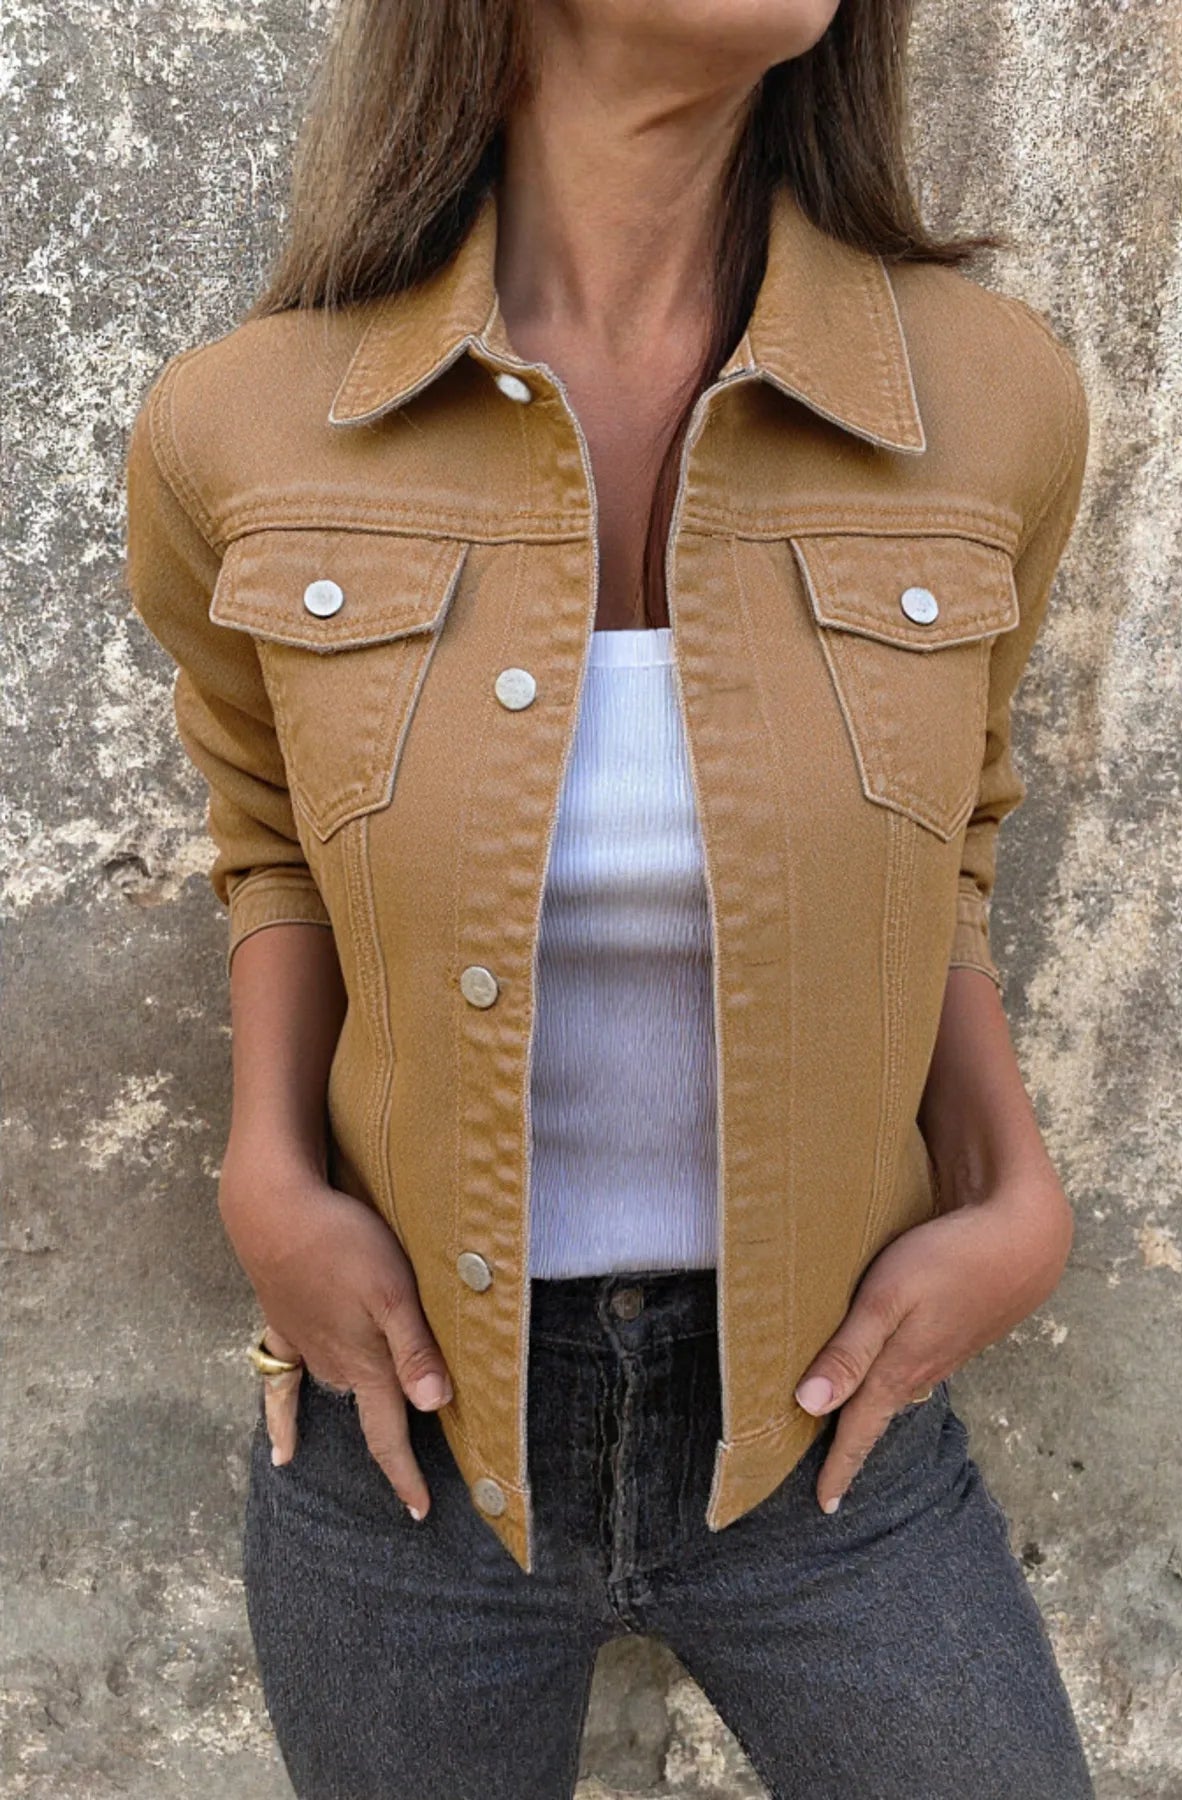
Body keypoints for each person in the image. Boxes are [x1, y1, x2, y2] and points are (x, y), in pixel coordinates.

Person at [122, 1, 1096, 1794]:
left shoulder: (986, 395)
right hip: (406, 1434)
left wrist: (1013, 1194)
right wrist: (267, 1178)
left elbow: (949, 838)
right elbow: (271, 841)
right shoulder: (242, 420)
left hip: (826, 1428)